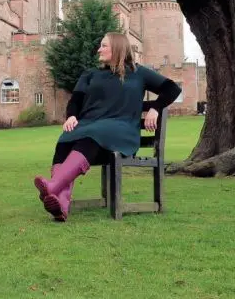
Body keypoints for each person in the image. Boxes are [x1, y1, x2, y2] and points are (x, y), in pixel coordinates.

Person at [34, 32, 182, 222]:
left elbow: (172, 89)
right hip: (91, 130)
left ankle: (52, 187)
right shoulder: (90, 75)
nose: (99, 49)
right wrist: (71, 116)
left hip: (121, 133)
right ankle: (60, 203)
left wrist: (155, 107)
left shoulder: (139, 73)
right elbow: (76, 101)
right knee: (66, 138)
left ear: (118, 48)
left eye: (104, 46)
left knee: (92, 135)